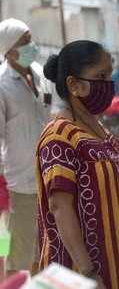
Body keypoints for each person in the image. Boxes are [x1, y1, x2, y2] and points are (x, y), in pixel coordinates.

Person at [37, 40, 119, 289]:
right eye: (100, 76)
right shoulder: (59, 136)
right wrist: (89, 273)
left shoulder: (99, 129)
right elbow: (60, 208)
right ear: (73, 84)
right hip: (81, 273)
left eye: (109, 75)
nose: (108, 85)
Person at [0, 18, 58, 274]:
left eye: (31, 40)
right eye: (25, 43)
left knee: (48, 254)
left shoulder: (40, 74)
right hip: (18, 185)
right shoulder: (2, 84)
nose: (31, 46)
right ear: (9, 50)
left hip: (49, 180)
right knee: (19, 257)